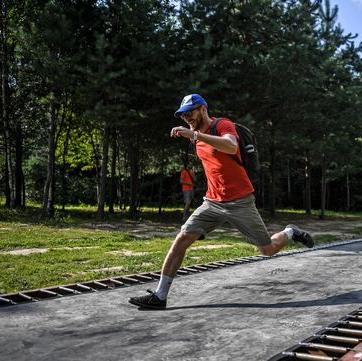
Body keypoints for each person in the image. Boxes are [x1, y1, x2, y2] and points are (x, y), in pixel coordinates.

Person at [129, 94, 314, 310]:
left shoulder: (221, 125)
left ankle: (290, 232)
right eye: (183, 115)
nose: (187, 118)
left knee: (268, 250)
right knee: (181, 239)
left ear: (203, 109)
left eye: (190, 112)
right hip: (212, 203)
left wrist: (196, 134)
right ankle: (160, 296)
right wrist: (196, 136)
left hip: (240, 202)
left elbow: (230, 145)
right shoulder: (196, 138)